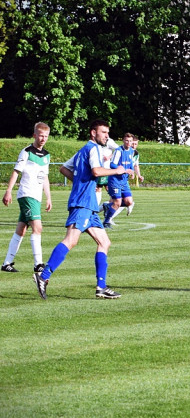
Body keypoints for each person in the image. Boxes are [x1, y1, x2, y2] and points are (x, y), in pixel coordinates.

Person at [34, 120, 127, 300]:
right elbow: (96, 172)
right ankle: (43, 276)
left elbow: (64, 168)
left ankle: (101, 287)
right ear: (93, 133)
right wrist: (117, 171)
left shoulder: (83, 150)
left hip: (90, 205)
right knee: (71, 240)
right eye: (103, 132)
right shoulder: (92, 149)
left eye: (108, 132)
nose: (107, 136)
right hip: (83, 203)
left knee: (104, 242)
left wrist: (80, 182)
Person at [2, 122, 52, 274]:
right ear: (34, 135)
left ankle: (7, 263)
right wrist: (8, 191)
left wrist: (48, 197)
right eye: (41, 135)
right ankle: (38, 264)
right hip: (26, 194)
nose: (43, 138)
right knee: (37, 227)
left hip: (36, 196)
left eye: (46, 136)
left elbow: (45, 178)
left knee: (21, 229)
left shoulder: (46, 155)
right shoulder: (26, 152)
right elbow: (16, 172)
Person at [102, 133, 137, 227]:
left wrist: (132, 172)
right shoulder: (118, 151)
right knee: (117, 202)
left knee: (129, 202)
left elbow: (131, 164)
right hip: (115, 180)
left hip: (124, 181)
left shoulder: (131, 151)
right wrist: (124, 170)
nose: (128, 143)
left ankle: (108, 206)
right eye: (126, 140)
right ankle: (106, 222)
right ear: (123, 141)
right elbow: (112, 165)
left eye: (130, 141)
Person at [126, 138, 143, 216]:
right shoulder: (124, 151)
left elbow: (136, 165)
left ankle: (108, 219)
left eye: (135, 144)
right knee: (118, 200)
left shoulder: (136, 153)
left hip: (124, 178)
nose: (133, 145)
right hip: (118, 177)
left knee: (116, 200)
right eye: (132, 143)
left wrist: (139, 175)